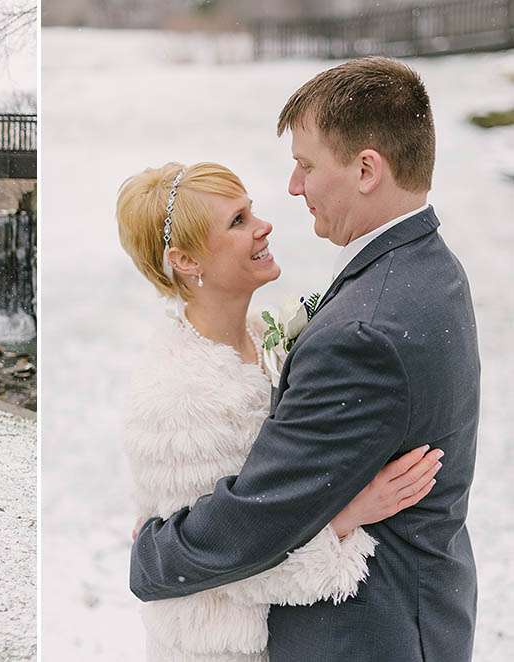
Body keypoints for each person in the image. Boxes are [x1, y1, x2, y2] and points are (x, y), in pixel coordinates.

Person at [129, 57, 480, 662]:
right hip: (411, 615)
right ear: (186, 260)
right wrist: (343, 512)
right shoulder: (429, 267)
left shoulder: (364, 328)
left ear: (367, 169)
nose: (293, 189)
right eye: (238, 219)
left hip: (364, 635)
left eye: (306, 164)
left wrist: (152, 559)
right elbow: (265, 518)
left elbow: (263, 519)